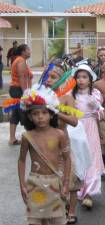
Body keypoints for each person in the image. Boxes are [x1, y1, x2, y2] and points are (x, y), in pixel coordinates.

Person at [18, 85, 71, 225]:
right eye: (35, 114)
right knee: (35, 222)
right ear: (29, 116)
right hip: (35, 183)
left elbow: (67, 159)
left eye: (44, 113)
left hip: (55, 182)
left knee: (58, 221)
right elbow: (21, 161)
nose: (40, 117)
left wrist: (66, 183)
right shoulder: (27, 136)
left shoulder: (59, 135)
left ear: (51, 114)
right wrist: (22, 184)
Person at [44, 62, 81, 224]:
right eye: (47, 77)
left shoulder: (67, 98)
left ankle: (71, 211)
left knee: (70, 179)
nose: (48, 80)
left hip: (62, 145)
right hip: (44, 146)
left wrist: (56, 112)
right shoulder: (41, 95)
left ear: (62, 80)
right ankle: (53, 209)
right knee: (47, 180)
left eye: (53, 77)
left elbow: (74, 121)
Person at [72, 64, 105, 209]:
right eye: (78, 77)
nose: (81, 80)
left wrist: (96, 107)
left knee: (91, 157)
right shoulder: (71, 95)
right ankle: (77, 189)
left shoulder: (95, 94)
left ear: (90, 79)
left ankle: (89, 193)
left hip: (90, 127)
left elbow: (101, 116)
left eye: (84, 77)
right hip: (76, 128)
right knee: (77, 157)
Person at [9, 44, 32, 145]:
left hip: (16, 89)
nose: (30, 51)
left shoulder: (19, 60)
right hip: (18, 89)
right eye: (28, 50)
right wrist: (25, 93)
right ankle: (31, 138)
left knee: (16, 113)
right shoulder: (21, 61)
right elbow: (22, 77)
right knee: (24, 112)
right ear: (23, 52)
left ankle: (12, 138)